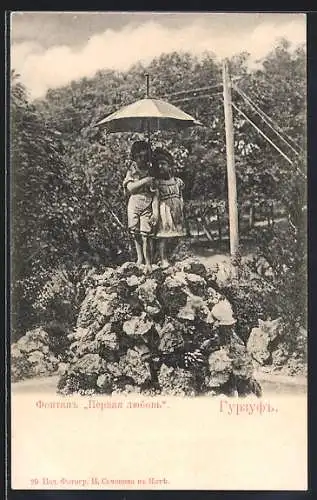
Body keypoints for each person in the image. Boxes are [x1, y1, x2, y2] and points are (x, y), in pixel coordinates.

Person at [123, 140, 158, 272]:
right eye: (138, 157)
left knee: (146, 234)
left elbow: (155, 192)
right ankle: (140, 258)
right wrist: (145, 180)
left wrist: (155, 211)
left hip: (147, 203)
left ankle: (148, 262)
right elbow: (131, 188)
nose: (141, 159)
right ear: (134, 156)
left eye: (144, 156)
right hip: (134, 203)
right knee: (135, 232)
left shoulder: (151, 171)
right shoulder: (132, 170)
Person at [151, 147, 186, 268]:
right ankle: (163, 258)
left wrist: (181, 208)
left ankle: (176, 255)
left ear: (170, 166)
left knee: (177, 234)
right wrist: (155, 214)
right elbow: (156, 199)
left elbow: (180, 196)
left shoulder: (177, 182)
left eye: (163, 164)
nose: (160, 166)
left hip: (176, 210)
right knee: (164, 235)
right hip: (164, 211)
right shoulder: (158, 183)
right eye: (158, 164)